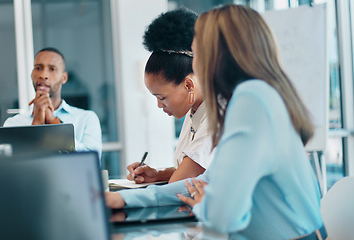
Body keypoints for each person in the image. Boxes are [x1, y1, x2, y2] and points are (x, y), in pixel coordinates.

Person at [106, 4, 326, 239]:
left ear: (216, 54)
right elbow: (202, 182)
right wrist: (124, 199)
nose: (193, 60)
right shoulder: (254, 96)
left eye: (195, 50)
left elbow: (222, 216)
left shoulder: (250, 100)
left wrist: (205, 203)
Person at [127, 8, 213, 184]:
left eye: (162, 97)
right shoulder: (195, 109)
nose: (159, 105)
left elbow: (179, 185)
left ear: (188, 85)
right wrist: (158, 174)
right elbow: (197, 172)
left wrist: (120, 198)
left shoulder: (218, 114)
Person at [3, 47, 102, 156]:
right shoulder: (12, 124)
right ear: (31, 75)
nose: (43, 75)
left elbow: (92, 162)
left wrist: (54, 123)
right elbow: (11, 168)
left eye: (52, 69)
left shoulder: (86, 119)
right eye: (38, 68)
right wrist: (36, 124)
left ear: (64, 78)